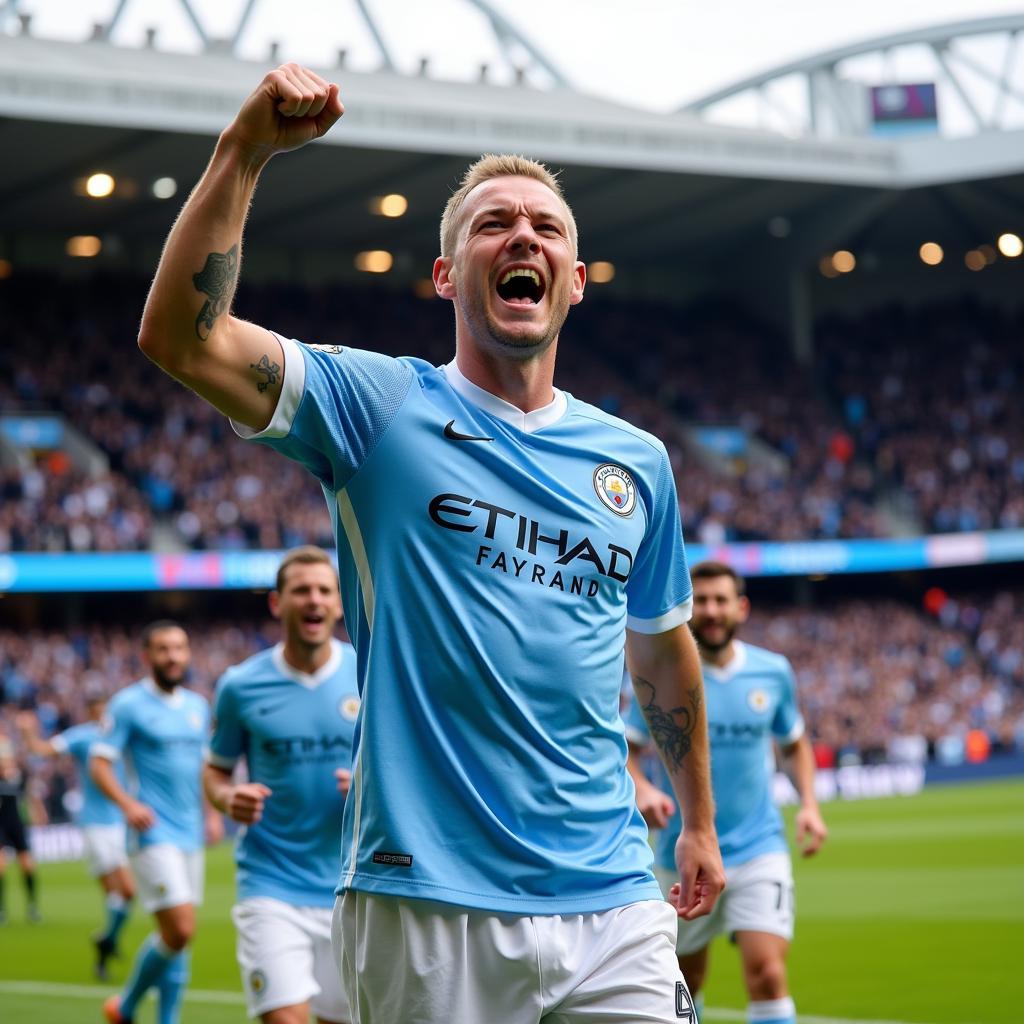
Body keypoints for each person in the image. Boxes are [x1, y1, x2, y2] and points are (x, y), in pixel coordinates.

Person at [137, 63, 725, 1024]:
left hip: (612, 893)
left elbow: (661, 650)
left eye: (547, 227)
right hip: (423, 899)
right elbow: (181, 338)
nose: (522, 234)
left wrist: (696, 819)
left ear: (575, 282)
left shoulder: (639, 463)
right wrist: (244, 151)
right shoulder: (378, 406)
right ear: (448, 274)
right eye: (492, 224)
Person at [625, 561, 828, 1024]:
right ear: (687, 608)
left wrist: (810, 806)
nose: (712, 611)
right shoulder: (663, 674)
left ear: (742, 608)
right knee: (682, 981)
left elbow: (795, 743)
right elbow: (627, 750)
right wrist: (643, 787)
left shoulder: (773, 672)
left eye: (721, 600)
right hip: (683, 852)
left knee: (767, 973)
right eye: (702, 601)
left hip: (759, 847)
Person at [203, 546, 358, 1024]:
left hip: (352, 887)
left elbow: (408, 765)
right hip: (271, 882)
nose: (313, 599)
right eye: (301, 590)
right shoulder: (240, 685)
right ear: (277, 603)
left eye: (324, 590)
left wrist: (371, 784)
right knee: (284, 1017)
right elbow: (215, 770)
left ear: (338, 603)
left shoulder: (370, 672)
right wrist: (229, 798)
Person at [90, 621, 223, 1024]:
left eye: (179, 648)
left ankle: (167, 1019)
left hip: (190, 832)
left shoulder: (198, 707)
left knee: (178, 938)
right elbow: (100, 762)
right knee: (180, 929)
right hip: (152, 832)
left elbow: (206, 767)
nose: (173, 656)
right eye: (163, 649)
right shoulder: (128, 704)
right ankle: (126, 1006)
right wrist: (128, 804)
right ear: (147, 656)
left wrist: (212, 813)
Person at [16, 697, 135, 978]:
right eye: (99, 709)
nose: (104, 714)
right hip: (97, 825)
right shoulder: (84, 736)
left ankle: (106, 945)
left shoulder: (124, 735)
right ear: (91, 711)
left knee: (116, 898)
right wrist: (28, 733)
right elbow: (42, 749)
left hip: (122, 822)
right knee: (126, 891)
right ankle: (108, 940)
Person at [0, 733, 42, 923]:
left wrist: (37, 812)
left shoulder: (20, 775)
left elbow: (29, 795)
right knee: (1, 866)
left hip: (16, 823)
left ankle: (33, 907)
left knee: (27, 864)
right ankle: (2, 910)